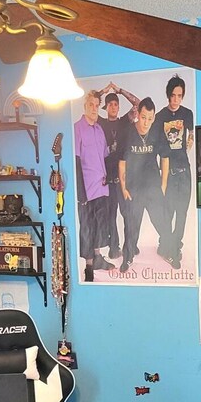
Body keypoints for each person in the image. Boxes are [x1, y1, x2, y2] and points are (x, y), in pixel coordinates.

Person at [118, 97, 171, 270]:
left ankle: (169, 252)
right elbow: (122, 162)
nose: (146, 122)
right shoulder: (127, 132)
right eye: (143, 117)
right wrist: (124, 188)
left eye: (150, 118)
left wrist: (163, 185)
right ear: (137, 115)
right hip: (134, 187)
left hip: (153, 185)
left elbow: (165, 158)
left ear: (154, 117)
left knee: (162, 221)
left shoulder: (157, 132)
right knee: (131, 225)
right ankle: (128, 257)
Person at [153, 75, 194, 268]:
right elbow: (156, 144)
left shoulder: (187, 114)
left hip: (184, 168)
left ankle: (175, 246)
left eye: (179, 95)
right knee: (167, 211)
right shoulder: (160, 116)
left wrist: (190, 142)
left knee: (182, 212)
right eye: (173, 95)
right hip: (168, 170)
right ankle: (166, 245)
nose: (176, 99)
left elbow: (191, 135)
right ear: (168, 95)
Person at [74, 91, 115, 283]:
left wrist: (115, 148)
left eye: (97, 105)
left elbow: (104, 154)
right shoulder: (77, 128)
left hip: (102, 185)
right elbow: (75, 159)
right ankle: (89, 266)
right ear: (84, 106)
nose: (94, 108)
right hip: (87, 189)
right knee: (87, 227)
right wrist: (80, 191)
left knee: (100, 225)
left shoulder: (99, 129)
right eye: (90, 104)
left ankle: (98, 258)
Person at [98, 83, 140, 261]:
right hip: (108, 177)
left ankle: (130, 245)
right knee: (111, 216)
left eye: (115, 104)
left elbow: (138, 103)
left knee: (128, 213)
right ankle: (114, 248)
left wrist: (120, 91)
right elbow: (90, 103)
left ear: (118, 106)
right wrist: (103, 91)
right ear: (105, 107)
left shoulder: (125, 121)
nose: (113, 107)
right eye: (110, 104)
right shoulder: (100, 123)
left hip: (124, 177)